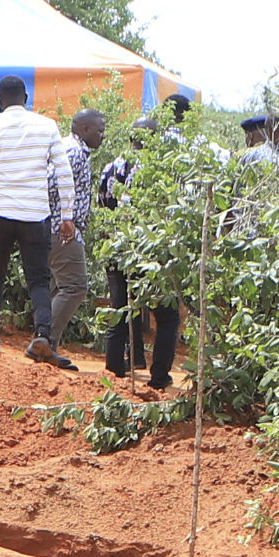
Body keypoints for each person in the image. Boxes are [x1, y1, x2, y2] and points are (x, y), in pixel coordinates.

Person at [0, 77, 74, 372]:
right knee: (38, 279)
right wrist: (67, 216)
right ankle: (42, 335)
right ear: (26, 97)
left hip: (0, 213)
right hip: (36, 215)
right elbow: (64, 174)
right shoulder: (47, 126)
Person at [94, 130, 178, 388]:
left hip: (116, 247)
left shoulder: (111, 167)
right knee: (167, 317)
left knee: (120, 308)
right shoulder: (160, 168)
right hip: (147, 251)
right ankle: (159, 377)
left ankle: (114, 372)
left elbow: (102, 206)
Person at [50, 107, 105, 343]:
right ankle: (45, 340)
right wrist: (66, 218)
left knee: (57, 288)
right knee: (75, 287)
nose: (102, 136)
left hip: (56, 228)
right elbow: (51, 184)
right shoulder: (73, 152)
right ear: (85, 129)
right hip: (62, 231)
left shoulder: (71, 149)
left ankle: (46, 346)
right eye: (99, 131)